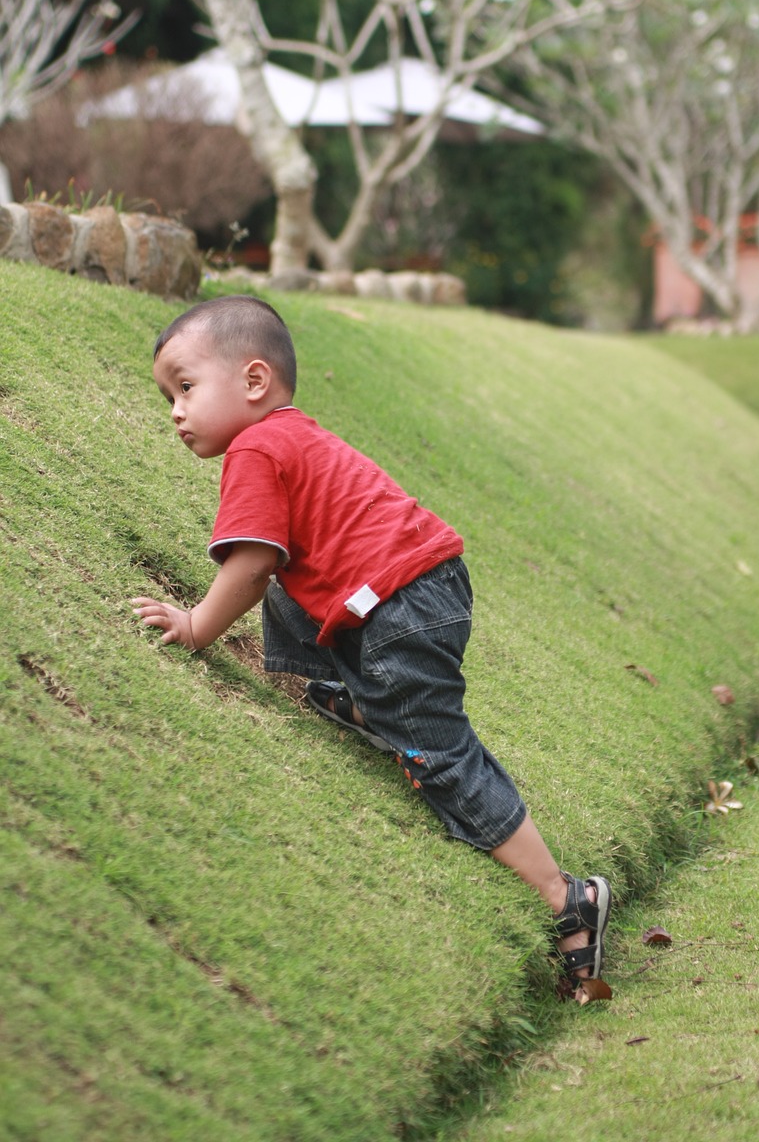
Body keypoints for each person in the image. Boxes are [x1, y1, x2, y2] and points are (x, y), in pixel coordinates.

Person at [131, 295, 611, 999]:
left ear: (255, 381)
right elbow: (285, 561)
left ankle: (568, 899)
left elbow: (251, 563)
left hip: (399, 607)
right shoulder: (294, 434)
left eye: (187, 386)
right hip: (419, 586)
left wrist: (198, 626)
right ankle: (363, 704)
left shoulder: (257, 447)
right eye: (169, 395)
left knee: (439, 757)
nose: (175, 409)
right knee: (299, 583)